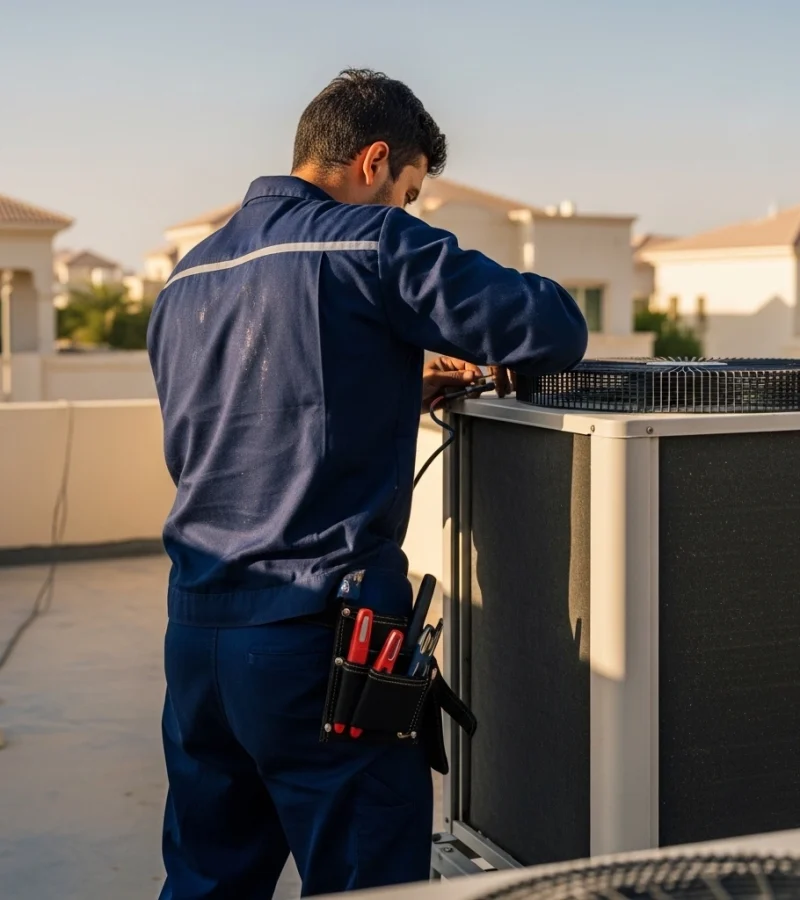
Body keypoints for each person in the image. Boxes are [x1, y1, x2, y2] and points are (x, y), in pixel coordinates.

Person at [147, 68, 588, 899]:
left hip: (196, 638)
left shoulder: (186, 278)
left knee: (207, 880)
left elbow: (248, 413)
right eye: (410, 191)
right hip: (318, 644)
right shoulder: (373, 242)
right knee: (368, 880)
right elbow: (551, 324)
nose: (408, 210)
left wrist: (391, 382)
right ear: (375, 159)